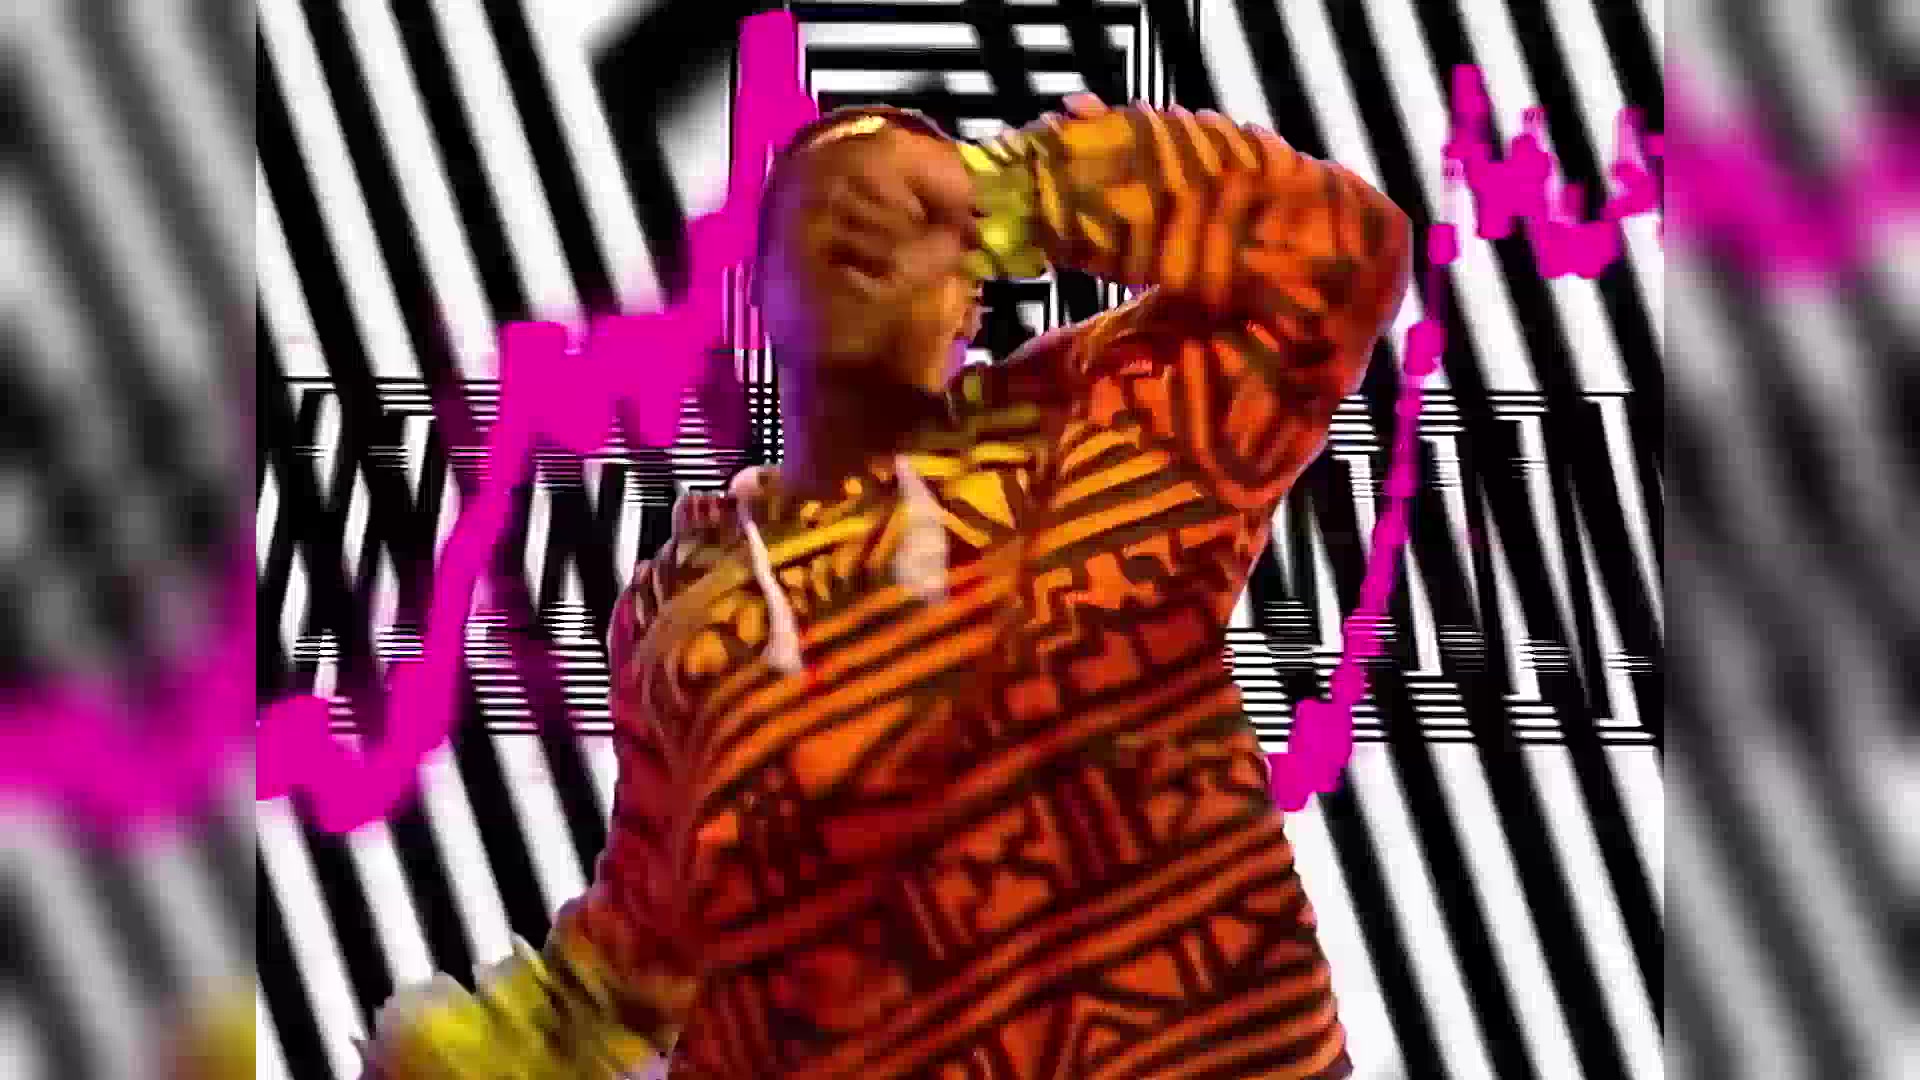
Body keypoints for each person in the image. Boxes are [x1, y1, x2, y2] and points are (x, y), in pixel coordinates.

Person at [363, 93, 1409, 1079]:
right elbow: (646, 948)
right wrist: (517, 1040)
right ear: (759, 292)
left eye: (915, 203)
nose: (865, 212)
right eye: (823, 203)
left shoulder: (1099, 427)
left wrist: (1033, 183)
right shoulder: (682, 618)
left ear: (971, 290)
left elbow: (1343, 250)